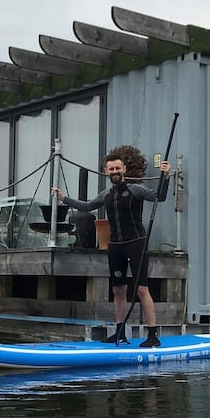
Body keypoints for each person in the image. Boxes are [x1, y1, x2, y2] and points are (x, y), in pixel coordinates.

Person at [53, 146, 170, 348]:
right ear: (106, 172)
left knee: (142, 289)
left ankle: (152, 336)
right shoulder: (106, 194)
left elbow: (159, 196)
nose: (114, 172)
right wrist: (64, 199)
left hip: (136, 243)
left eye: (117, 168)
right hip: (115, 246)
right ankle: (120, 333)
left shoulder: (136, 190)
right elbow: (88, 206)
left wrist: (165, 177)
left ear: (124, 169)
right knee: (118, 290)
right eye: (111, 169)